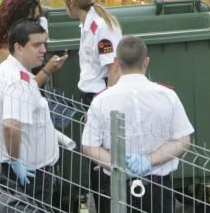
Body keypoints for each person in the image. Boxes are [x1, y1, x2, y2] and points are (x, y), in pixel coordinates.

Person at [82, 36, 194, 213]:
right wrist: (148, 161)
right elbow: (183, 140)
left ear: (117, 62)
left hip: (118, 185)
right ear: (146, 62)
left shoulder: (101, 101)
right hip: (158, 185)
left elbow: (89, 146)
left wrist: (118, 164)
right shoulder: (167, 95)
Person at [0, 21, 61, 207]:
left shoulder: (5, 70)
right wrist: (16, 161)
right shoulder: (18, 82)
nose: (43, 50)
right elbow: (11, 126)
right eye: (36, 45)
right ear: (18, 47)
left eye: (44, 43)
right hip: (30, 174)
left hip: (16, 168)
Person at [61, 0, 122, 104]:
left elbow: (114, 69)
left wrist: (107, 105)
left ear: (71, 2)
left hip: (100, 96)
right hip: (91, 94)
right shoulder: (87, 25)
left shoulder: (101, 27)